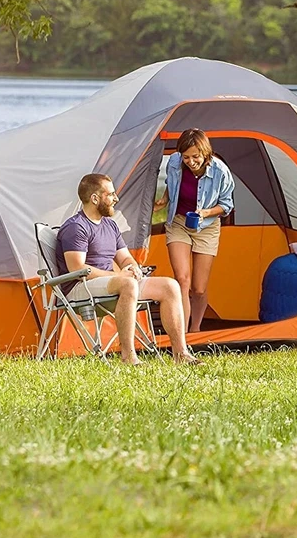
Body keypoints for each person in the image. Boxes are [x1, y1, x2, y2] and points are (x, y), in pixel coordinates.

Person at [56, 173, 200, 365]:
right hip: (79, 287)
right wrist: (119, 275)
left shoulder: (110, 225)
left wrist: (132, 267)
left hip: (112, 282)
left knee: (170, 286)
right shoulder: (76, 227)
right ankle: (129, 356)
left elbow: (124, 257)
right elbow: (77, 268)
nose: (116, 198)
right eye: (111, 194)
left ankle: (181, 354)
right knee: (128, 285)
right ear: (95, 198)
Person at [154, 128, 235, 333]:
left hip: (207, 227)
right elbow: (170, 184)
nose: (190, 161)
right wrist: (164, 200)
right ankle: (180, 333)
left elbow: (226, 205)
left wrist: (206, 212)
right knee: (182, 279)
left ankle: (195, 328)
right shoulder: (174, 162)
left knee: (198, 288)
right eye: (186, 157)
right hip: (179, 223)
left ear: (205, 153)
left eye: (195, 157)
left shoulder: (220, 171)